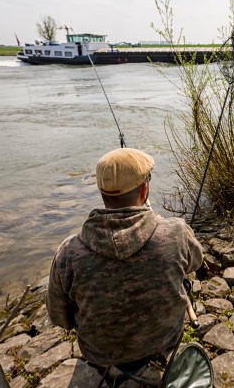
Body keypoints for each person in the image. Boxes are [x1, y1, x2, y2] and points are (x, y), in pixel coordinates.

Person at [47, 148, 203, 366]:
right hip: (165, 341)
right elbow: (196, 262)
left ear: (101, 191)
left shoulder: (68, 253)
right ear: (145, 189)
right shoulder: (176, 232)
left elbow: (60, 318)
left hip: (99, 355)